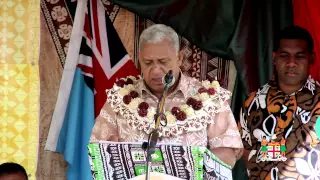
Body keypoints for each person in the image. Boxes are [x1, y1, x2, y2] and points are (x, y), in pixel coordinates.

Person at [90, 24, 243, 168]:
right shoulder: (120, 99)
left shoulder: (209, 99)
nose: (156, 71)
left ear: (180, 58)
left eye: (163, 62)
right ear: (139, 60)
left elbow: (228, 155)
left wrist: (180, 165)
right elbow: (97, 152)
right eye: (148, 63)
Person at [239, 26, 320, 179]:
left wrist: (267, 151)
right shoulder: (254, 102)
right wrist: (282, 150)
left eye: (300, 56)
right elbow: (243, 151)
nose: (291, 63)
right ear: (274, 57)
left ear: (312, 58)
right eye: (284, 56)